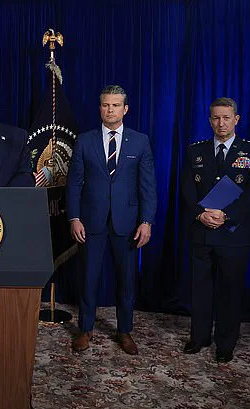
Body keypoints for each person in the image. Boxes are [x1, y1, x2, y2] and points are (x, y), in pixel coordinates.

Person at [66, 85, 157, 355]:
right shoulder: (85, 140)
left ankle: (124, 331)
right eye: (106, 105)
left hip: (127, 223)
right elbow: (74, 184)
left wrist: (146, 221)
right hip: (90, 221)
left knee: (126, 281)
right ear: (100, 108)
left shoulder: (140, 141)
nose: (110, 110)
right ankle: (85, 329)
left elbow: (148, 186)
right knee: (89, 278)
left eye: (116, 105)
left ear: (125, 109)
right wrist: (74, 217)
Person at [180, 97, 250, 363]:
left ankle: (226, 343)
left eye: (226, 118)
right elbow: (187, 188)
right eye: (216, 118)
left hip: (234, 234)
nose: (221, 123)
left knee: (230, 291)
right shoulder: (195, 151)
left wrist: (226, 215)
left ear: (236, 119)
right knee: (200, 289)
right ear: (210, 120)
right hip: (202, 231)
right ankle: (199, 337)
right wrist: (200, 213)